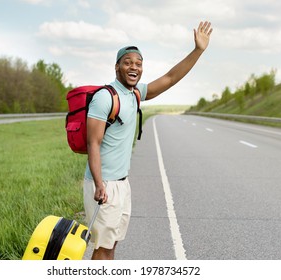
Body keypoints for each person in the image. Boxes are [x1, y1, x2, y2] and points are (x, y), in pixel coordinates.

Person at [83, 21, 213, 260]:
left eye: (139, 64)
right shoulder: (104, 98)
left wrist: (198, 51)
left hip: (121, 183)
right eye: (128, 62)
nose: (134, 67)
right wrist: (100, 184)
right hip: (104, 184)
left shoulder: (135, 93)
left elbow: (171, 78)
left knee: (112, 245)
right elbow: (93, 143)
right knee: (101, 248)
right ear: (117, 67)